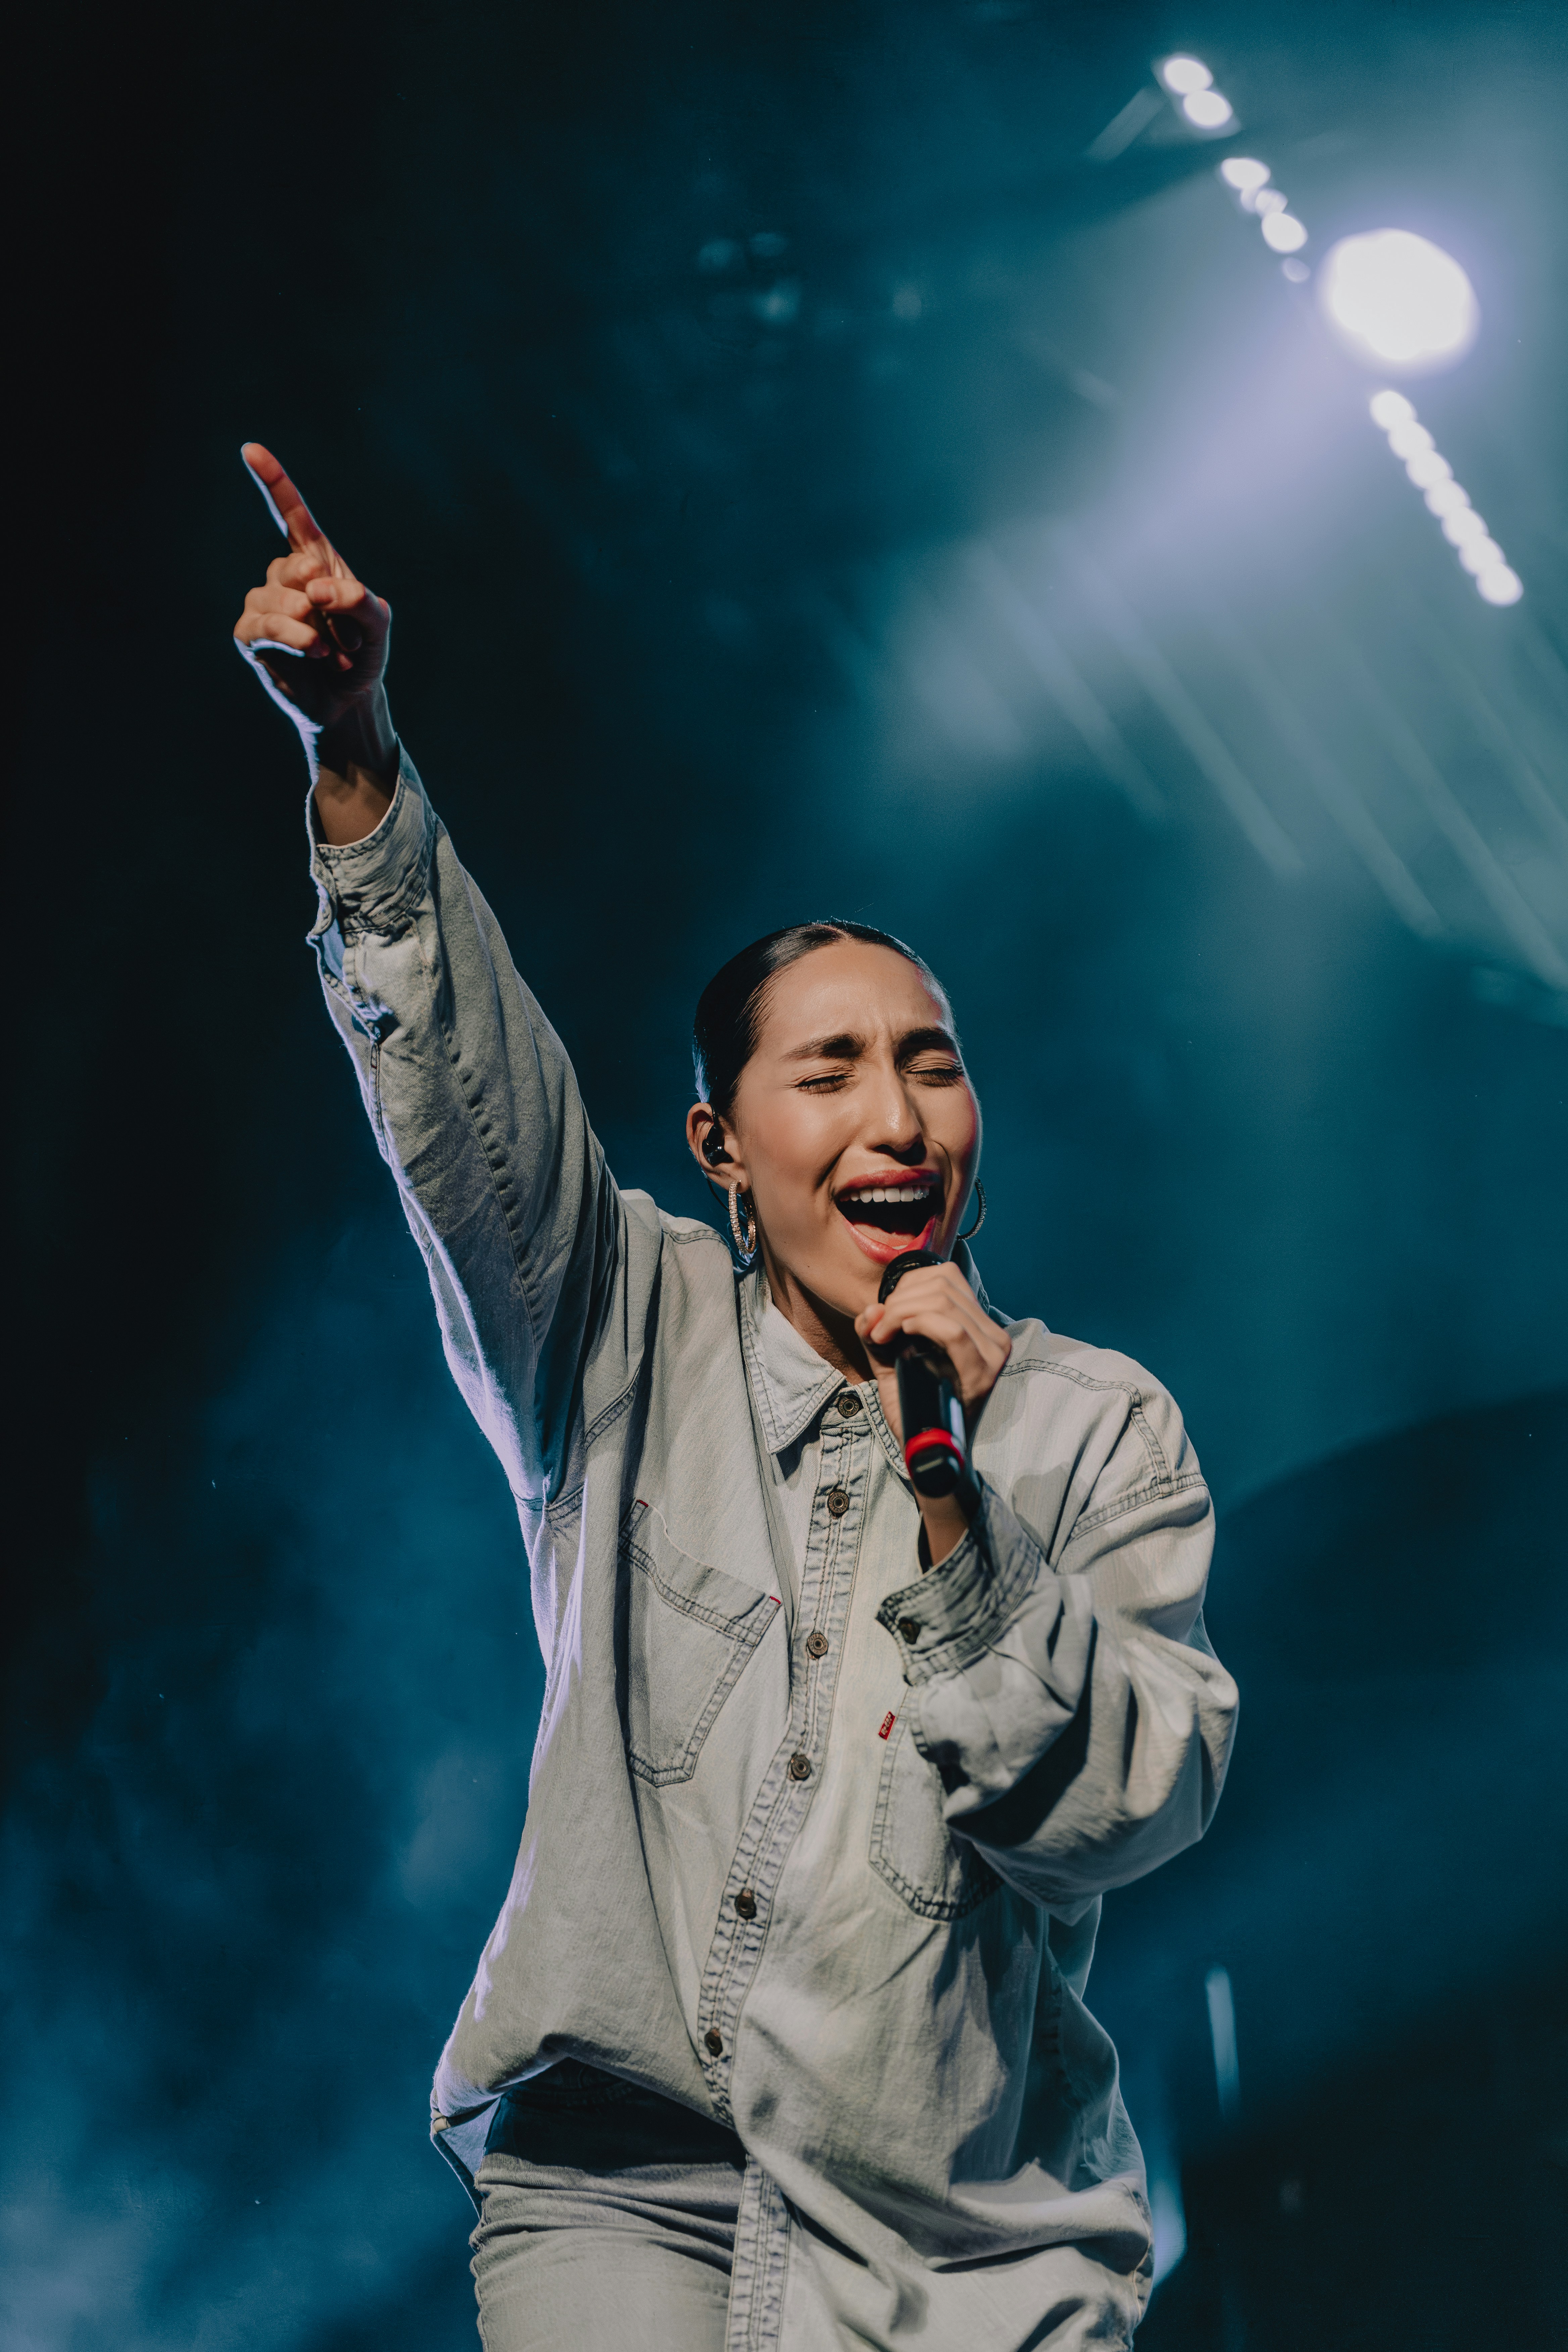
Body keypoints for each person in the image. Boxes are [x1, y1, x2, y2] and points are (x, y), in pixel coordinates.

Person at [233, 443, 1238, 2352]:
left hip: (966, 2248)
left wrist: (960, 1510)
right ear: (722, 1149)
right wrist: (352, 750)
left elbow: (1124, 1807)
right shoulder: (623, 1325)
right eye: (831, 1072)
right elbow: (464, 1088)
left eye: (931, 1065)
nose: (896, 1116)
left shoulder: (1101, 1430)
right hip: (625, 2197)